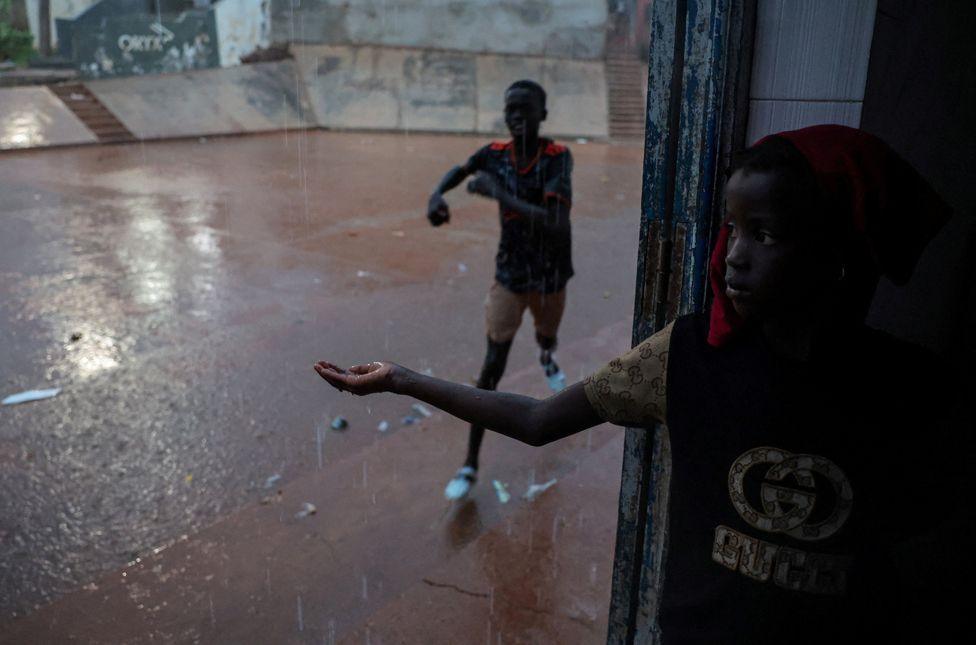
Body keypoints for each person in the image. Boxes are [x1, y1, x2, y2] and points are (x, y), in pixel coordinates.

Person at [315, 125, 954, 642]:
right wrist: (403, 380)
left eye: (764, 234)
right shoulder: (683, 356)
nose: (733, 254)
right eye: (732, 228)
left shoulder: (911, 390)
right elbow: (538, 422)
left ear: (834, 251)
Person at [425, 79, 574, 500]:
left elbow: (554, 221)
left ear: (542, 115)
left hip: (550, 277)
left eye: (526, 109)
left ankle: (546, 354)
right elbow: (462, 170)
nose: (517, 117)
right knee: (490, 370)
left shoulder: (557, 158)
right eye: (511, 109)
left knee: (547, 334)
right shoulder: (495, 154)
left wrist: (499, 194)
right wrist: (437, 194)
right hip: (509, 277)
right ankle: (470, 462)